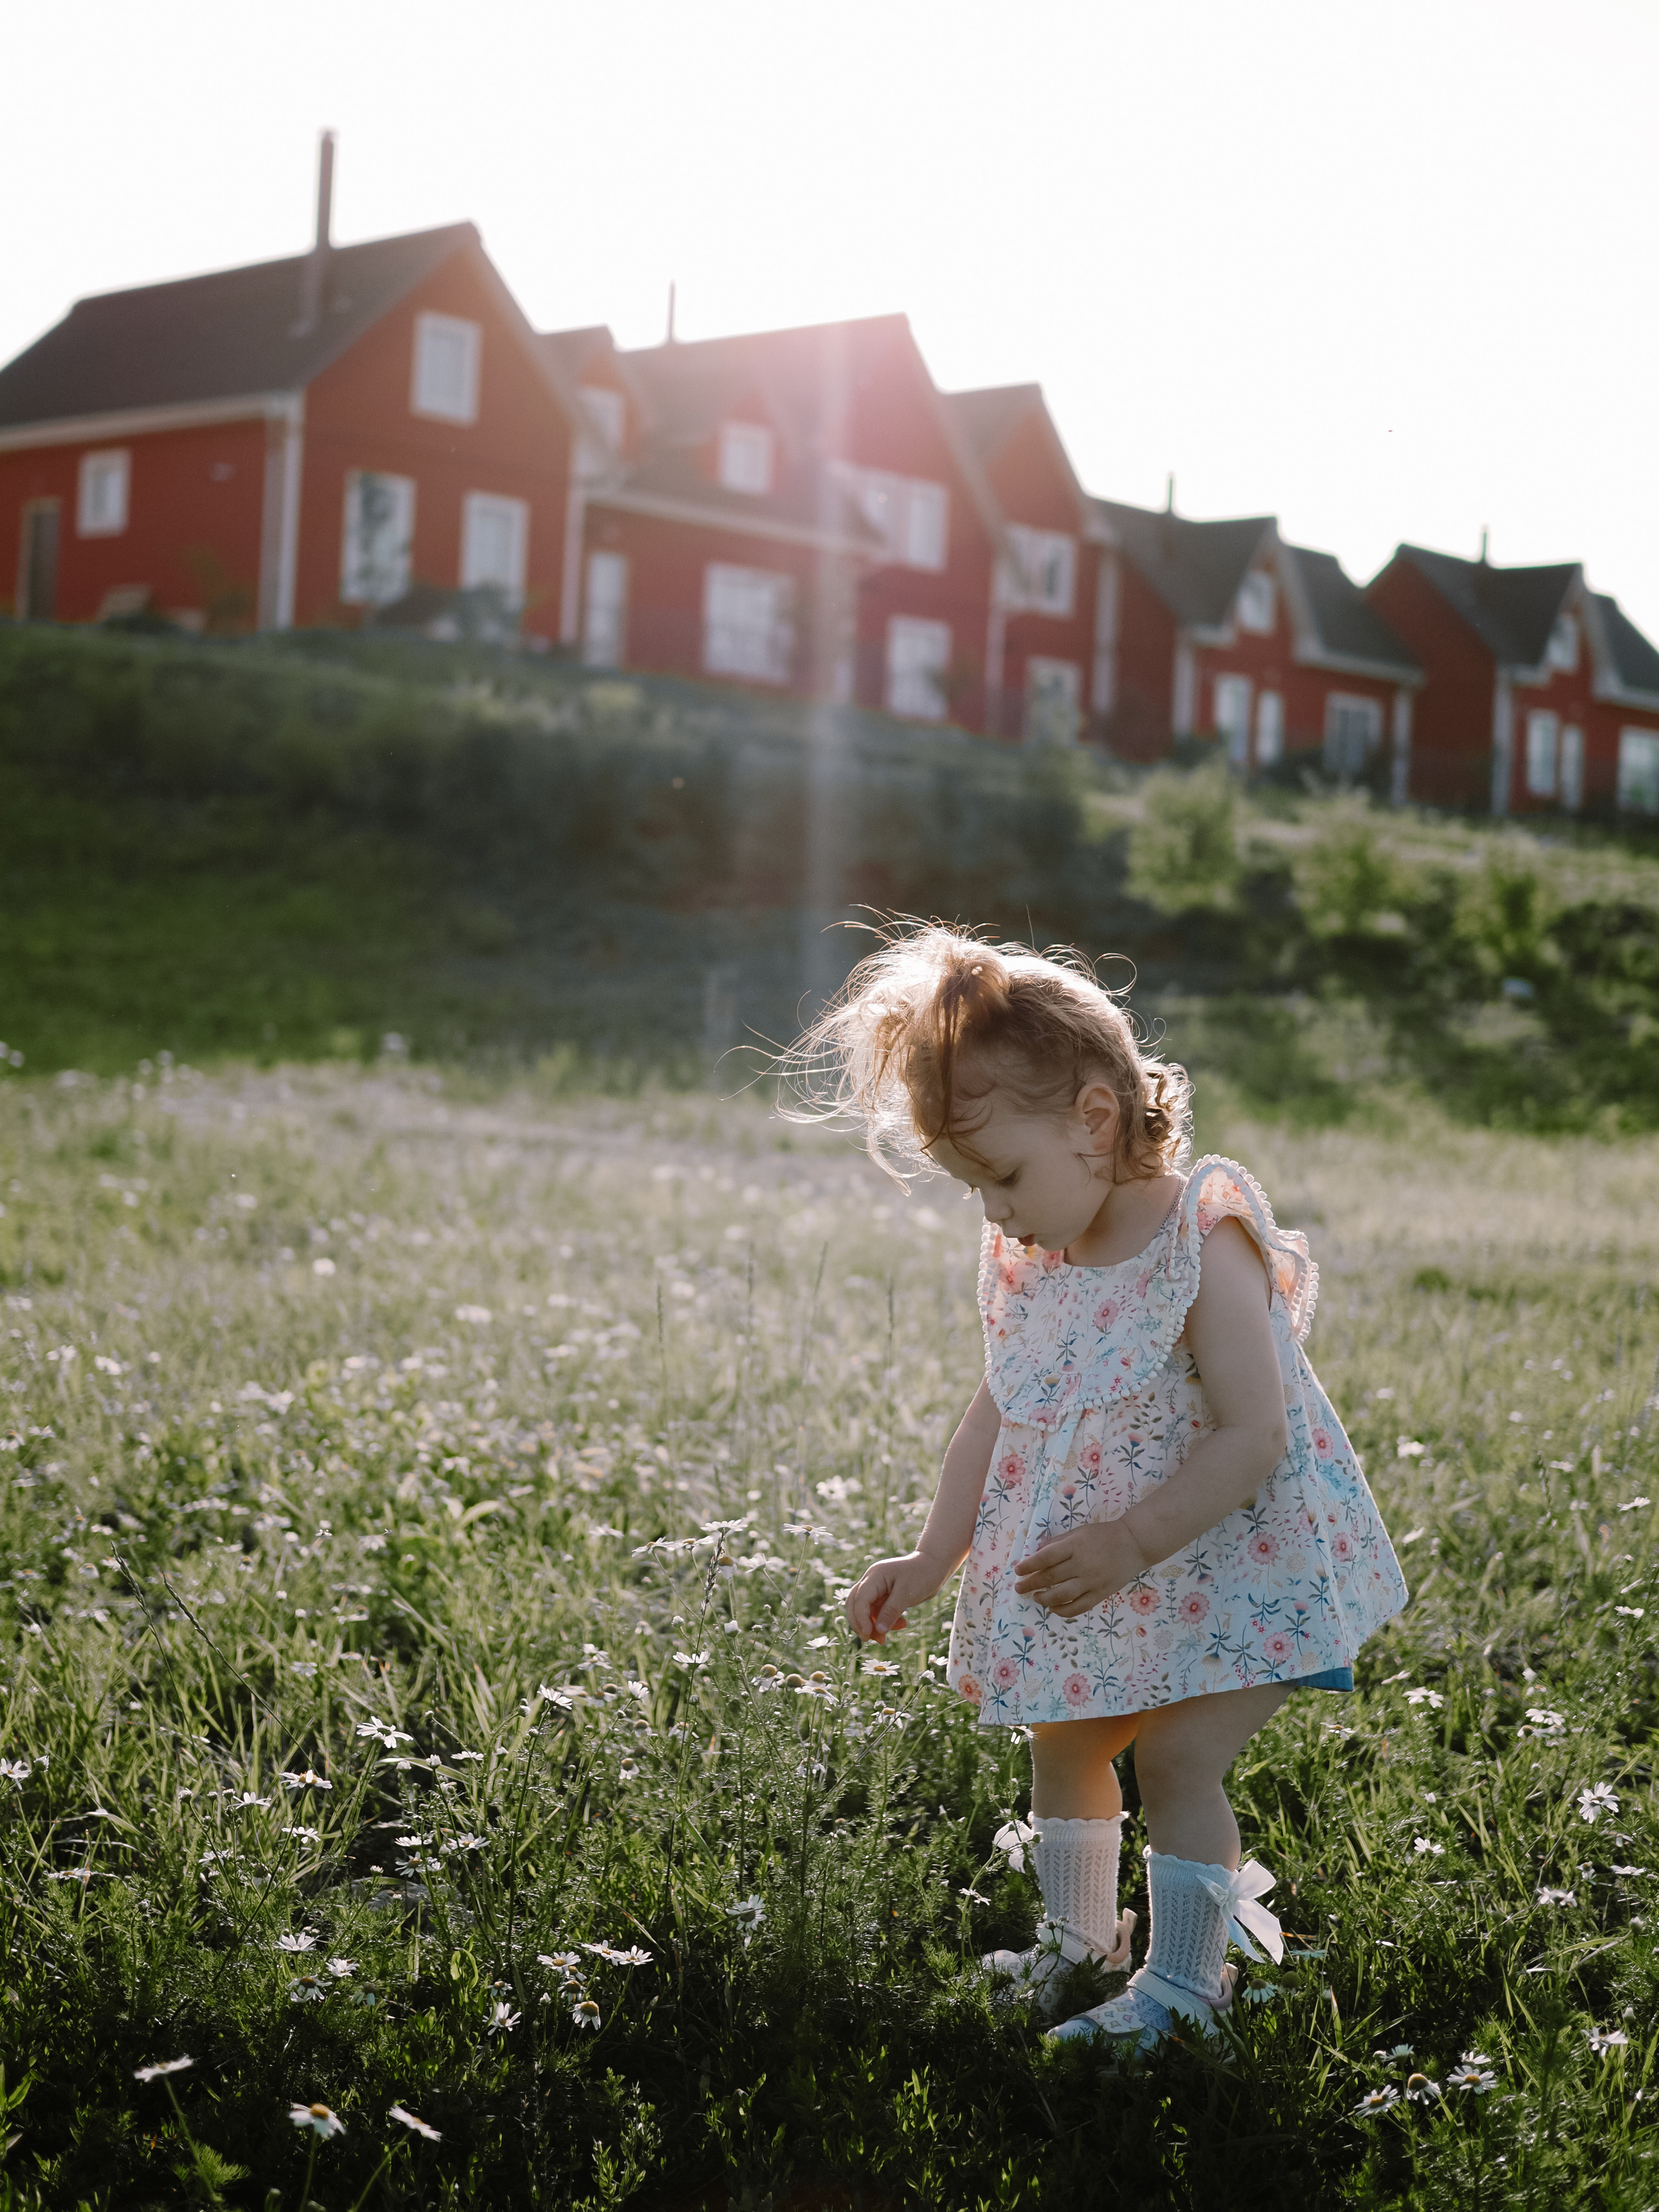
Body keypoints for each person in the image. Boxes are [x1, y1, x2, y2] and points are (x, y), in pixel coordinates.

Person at [784, 925, 1407, 2047]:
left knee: (1176, 1754)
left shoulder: (1200, 1239)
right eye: (974, 1188)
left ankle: (1184, 1991)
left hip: (1235, 1568)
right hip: (1123, 1578)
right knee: (1065, 1737)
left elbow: (1255, 1434)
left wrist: (1130, 1539)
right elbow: (997, 1411)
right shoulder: (1041, 1257)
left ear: (1095, 1119)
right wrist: (932, 1554)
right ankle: (1081, 1943)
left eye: (1004, 1176)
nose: (994, 1214)